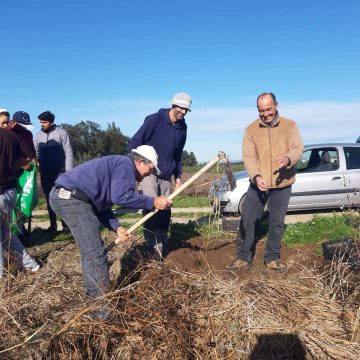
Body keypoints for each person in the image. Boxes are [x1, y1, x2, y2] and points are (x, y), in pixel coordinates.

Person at [49, 145, 172, 319]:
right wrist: (153, 202)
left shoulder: (118, 166)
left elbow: (102, 203)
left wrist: (117, 227)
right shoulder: (125, 165)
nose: (148, 174)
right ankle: (102, 313)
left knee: (91, 252)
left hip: (73, 198)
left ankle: (93, 301)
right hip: (71, 199)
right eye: (149, 169)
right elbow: (121, 197)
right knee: (95, 254)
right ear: (139, 162)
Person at [229, 92, 304, 273]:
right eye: (261, 110)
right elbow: (249, 157)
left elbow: (298, 148)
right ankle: (243, 257)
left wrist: (288, 159)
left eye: (268, 109)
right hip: (258, 184)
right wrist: (256, 176)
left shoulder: (290, 125)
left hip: (282, 183)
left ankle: (271, 258)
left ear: (276, 105)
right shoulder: (251, 130)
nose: (265, 114)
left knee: (277, 222)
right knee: (247, 219)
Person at [128, 92, 192, 259]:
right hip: (149, 174)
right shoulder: (154, 120)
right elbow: (135, 142)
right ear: (173, 105)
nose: (183, 112)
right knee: (151, 210)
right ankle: (153, 250)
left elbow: (178, 154)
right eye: (181, 108)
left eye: (186, 110)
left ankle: (164, 246)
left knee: (165, 211)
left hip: (166, 177)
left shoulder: (182, 128)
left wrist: (178, 176)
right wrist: (135, 167)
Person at [0, 127, 39, 279]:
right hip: (10, 192)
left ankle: (1, 277)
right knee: (5, 233)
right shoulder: (13, 136)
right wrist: (20, 163)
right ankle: (31, 265)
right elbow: (30, 156)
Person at [33, 111, 73, 232]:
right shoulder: (37, 135)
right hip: (45, 173)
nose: (42, 124)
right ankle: (52, 225)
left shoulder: (62, 133)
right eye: (40, 122)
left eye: (44, 122)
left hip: (60, 173)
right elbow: (35, 153)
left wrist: (69, 172)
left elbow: (68, 152)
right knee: (49, 198)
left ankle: (66, 225)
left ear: (51, 122)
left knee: (63, 198)